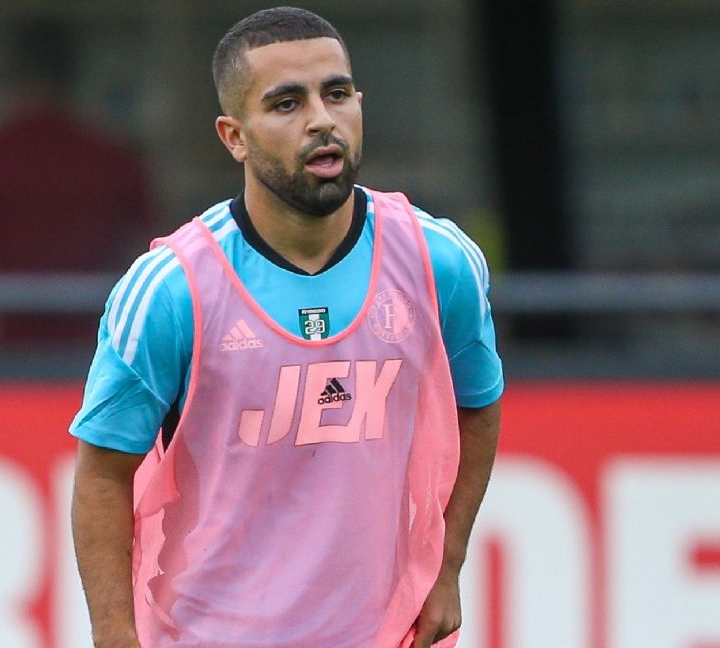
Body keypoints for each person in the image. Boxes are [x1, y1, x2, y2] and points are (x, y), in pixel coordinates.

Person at [70, 7, 503, 648]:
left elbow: (479, 404)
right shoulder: (171, 289)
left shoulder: (440, 262)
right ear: (234, 136)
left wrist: (447, 565)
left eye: (336, 93)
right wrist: (114, 636)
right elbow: (103, 475)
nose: (322, 120)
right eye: (286, 103)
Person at [0, 18, 153, 351]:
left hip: (1, 347)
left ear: (11, 73)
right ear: (73, 76)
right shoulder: (115, 156)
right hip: (94, 350)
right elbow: (154, 256)